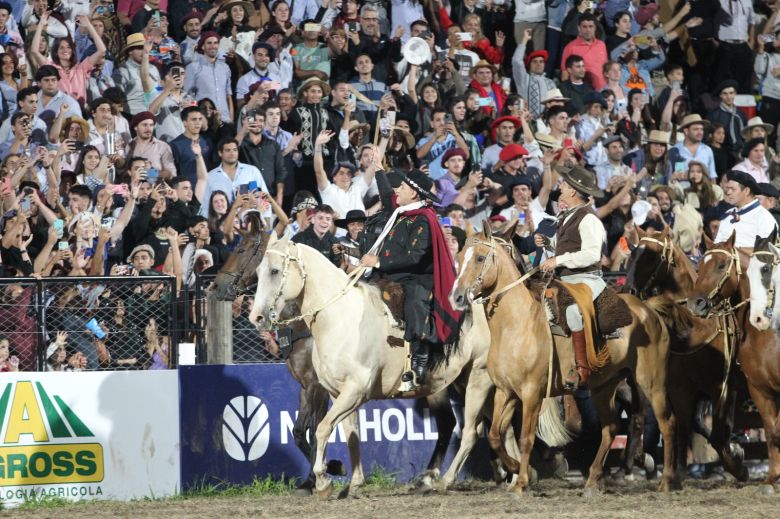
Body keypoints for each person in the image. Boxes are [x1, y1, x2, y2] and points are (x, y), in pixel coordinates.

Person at [359, 170, 462, 390]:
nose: (397, 190)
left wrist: (377, 262)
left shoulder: (423, 219)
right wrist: (378, 169)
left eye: (402, 187)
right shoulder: (403, 212)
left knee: (415, 299)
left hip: (416, 277)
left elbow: (414, 256)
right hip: (389, 274)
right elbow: (388, 196)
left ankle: (420, 357)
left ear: (414, 193)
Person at [539, 165, 606, 387]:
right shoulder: (568, 216)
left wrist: (557, 260)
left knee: (573, 312)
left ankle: (582, 367)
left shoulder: (589, 219)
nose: (561, 187)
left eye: (564, 185)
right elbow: (567, 246)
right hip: (565, 279)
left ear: (573, 192)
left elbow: (591, 254)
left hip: (588, 279)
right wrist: (549, 244)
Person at [716, 170, 778, 255]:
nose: (728, 192)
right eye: (727, 188)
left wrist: (735, 251)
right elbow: (717, 243)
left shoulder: (764, 217)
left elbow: (767, 251)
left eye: (733, 189)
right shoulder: (729, 213)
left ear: (746, 191)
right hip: (722, 265)